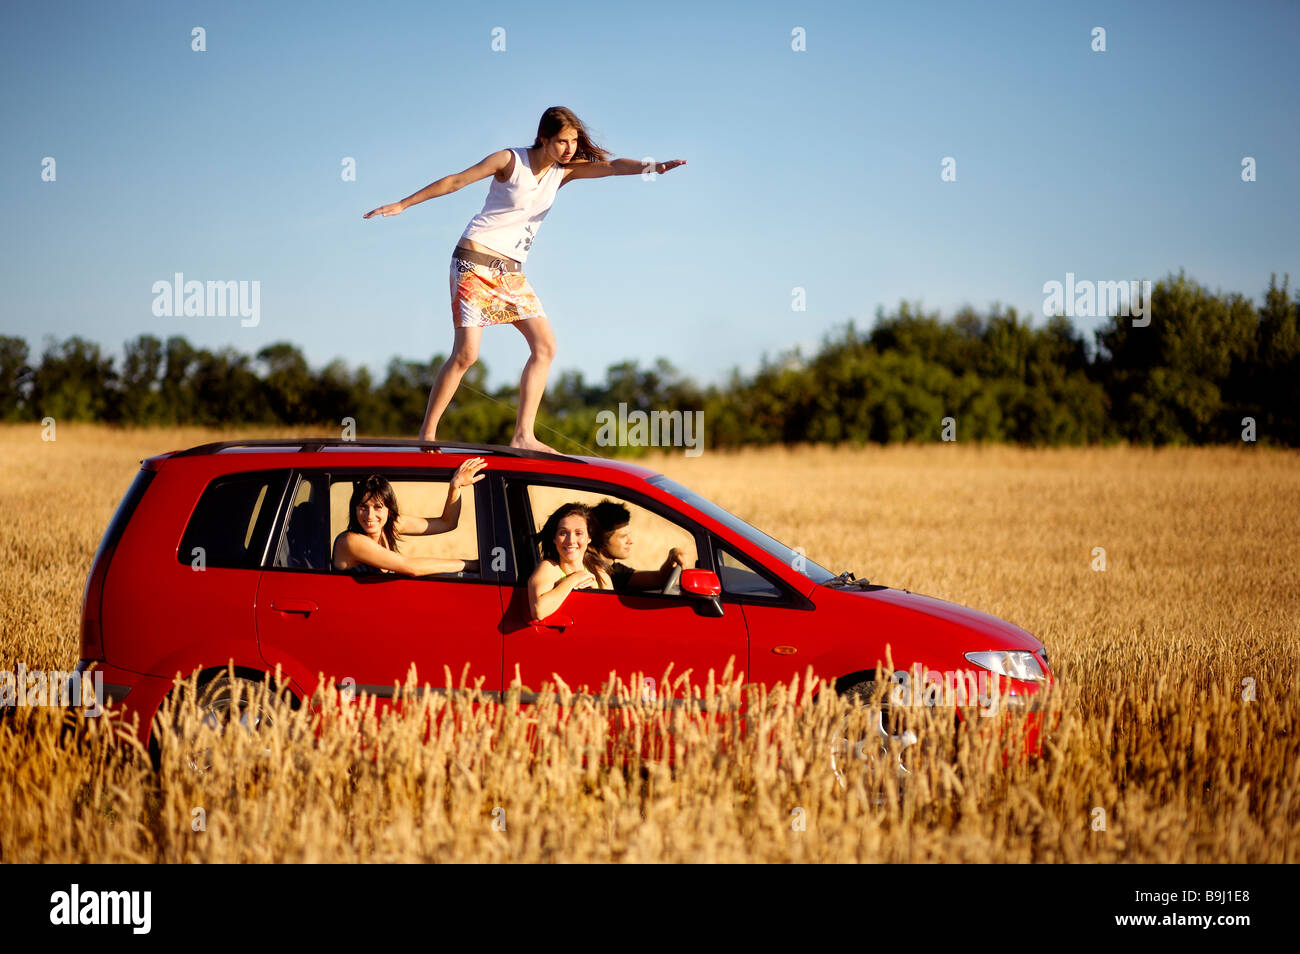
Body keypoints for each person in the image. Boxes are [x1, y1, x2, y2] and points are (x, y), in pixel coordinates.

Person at [363, 106, 687, 453]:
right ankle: (427, 435)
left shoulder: (563, 173)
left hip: (512, 273)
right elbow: (456, 181)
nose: (569, 149)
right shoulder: (508, 161)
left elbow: (611, 166)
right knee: (467, 355)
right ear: (543, 138)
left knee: (546, 346)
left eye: (574, 141)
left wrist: (651, 167)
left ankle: (523, 434)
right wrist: (403, 204)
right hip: (474, 262)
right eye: (562, 141)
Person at [331, 460, 485, 576]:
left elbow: (447, 523)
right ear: (354, 508)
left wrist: (455, 486)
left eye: (378, 507)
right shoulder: (350, 541)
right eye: (363, 507)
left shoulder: (390, 525)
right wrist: (469, 565)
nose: (370, 516)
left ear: (389, 510)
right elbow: (411, 567)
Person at [527, 502, 611, 619]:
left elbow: (611, 616)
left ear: (589, 537)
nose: (571, 540)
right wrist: (574, 579)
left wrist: (595, 594)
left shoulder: (600, 573)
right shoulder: (549, 568)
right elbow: (538, 611)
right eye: (563, 533)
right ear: (554, 538)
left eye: (578, 533)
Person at [589, 499, 686, 592]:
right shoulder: (588, 569)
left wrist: (672, 556)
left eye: (629, 535)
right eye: (623, 536)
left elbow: (658, 579)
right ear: (601, 538)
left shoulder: (615, 571)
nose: (630, 541)